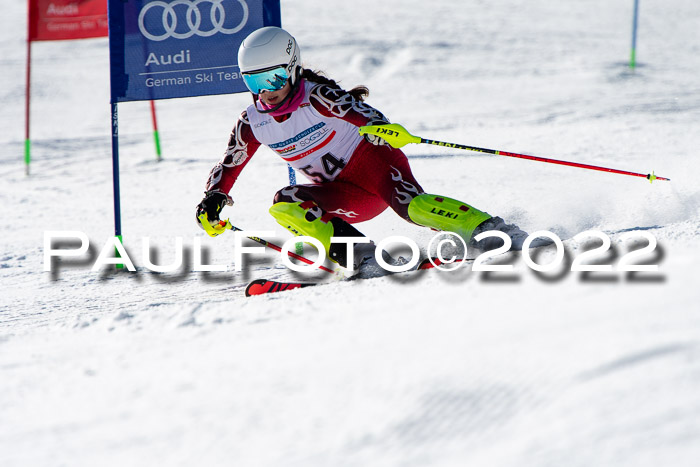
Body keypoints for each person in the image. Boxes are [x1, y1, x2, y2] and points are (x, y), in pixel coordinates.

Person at [196, 26, 532, 276]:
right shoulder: (252, 121)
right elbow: (230, 163)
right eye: (254, 82)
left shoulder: (318, 97)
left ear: (292, 67)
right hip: (345, 194)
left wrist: (383, 128)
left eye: (272, 79)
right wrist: (213, 197)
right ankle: (358, 255)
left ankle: (490, 229)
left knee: (412, 207)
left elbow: (364, 116)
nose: (265, 92)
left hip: (374, 165)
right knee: (284, 204)